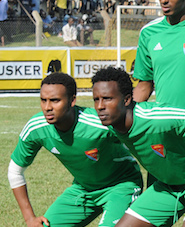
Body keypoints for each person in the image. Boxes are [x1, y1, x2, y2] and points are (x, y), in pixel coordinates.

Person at [92, 67, 185, 227]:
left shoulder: (158, 118)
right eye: (96, 99)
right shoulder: (106, 122)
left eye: (107, 98)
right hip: (168, 187)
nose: (100, 106)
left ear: (127, 99)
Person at [8, 72, 142, 227]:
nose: (47, 107)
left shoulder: (99, 123)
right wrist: (29, 218)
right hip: (82, 189)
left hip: (121, 186)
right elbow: (14, 171)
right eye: (43, 100)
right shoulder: (36, 128)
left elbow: (140, 139)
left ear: (72, 101)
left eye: (55, 100)